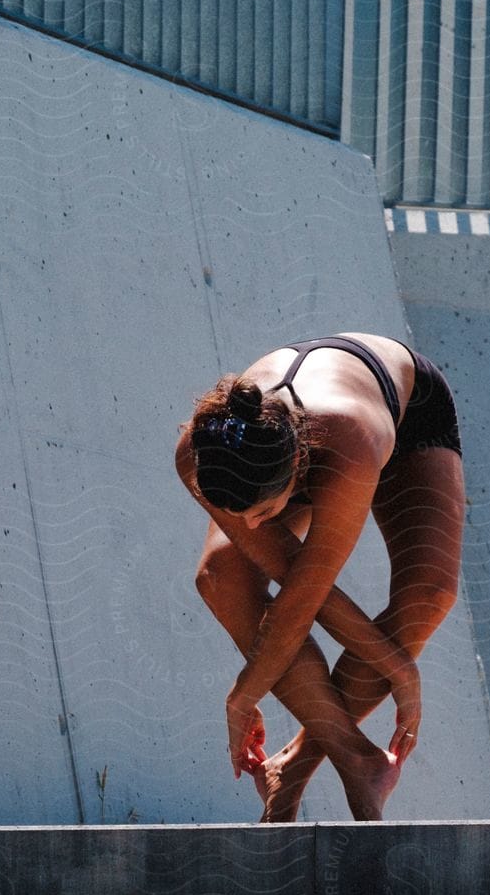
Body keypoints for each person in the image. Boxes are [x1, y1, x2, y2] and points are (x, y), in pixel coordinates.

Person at [174, 333, 464, 821]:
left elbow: (305, 599)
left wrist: (244, 694)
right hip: (275, 440)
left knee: (430, 594)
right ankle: (356, 758)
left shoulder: (349, 445)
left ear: (296, 472)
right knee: (222, 576)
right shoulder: (199, 454)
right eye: (235, 515)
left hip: (403, 415)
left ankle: (294, 767)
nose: (249, 529)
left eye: (263, 513)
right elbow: (301, 592)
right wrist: (397, 668)